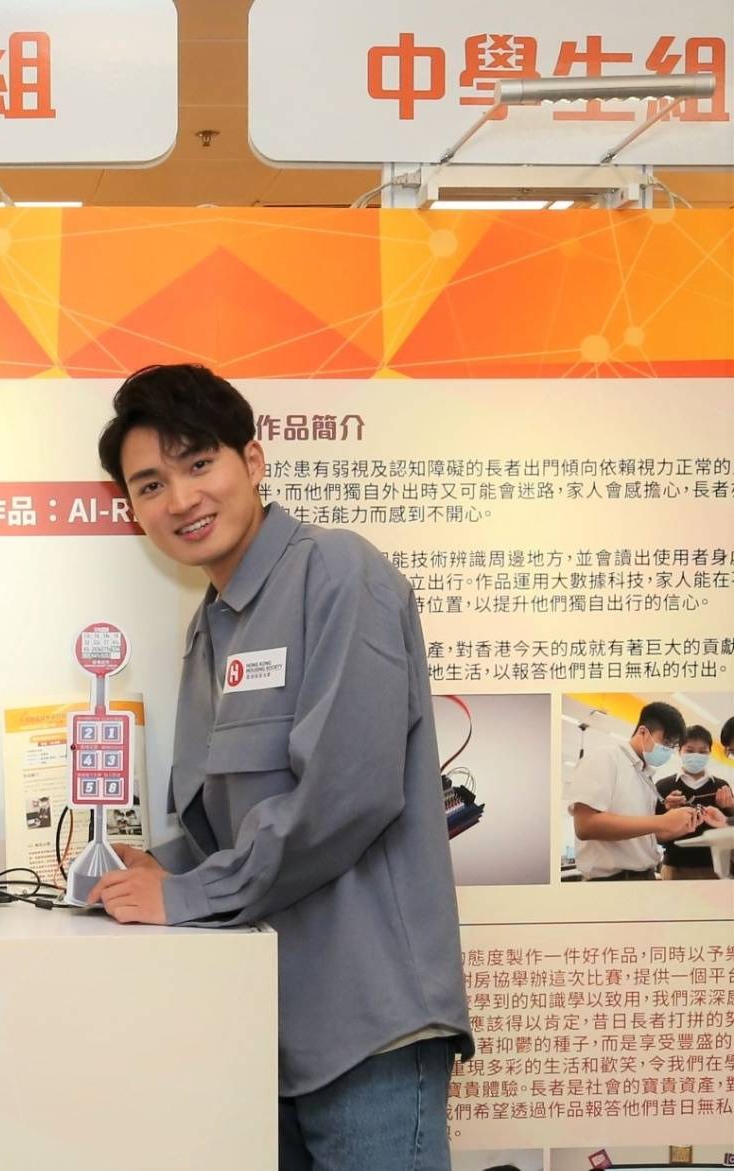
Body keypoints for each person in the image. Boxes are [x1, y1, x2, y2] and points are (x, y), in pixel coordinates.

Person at [87, 363, 473, 1171]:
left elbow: (345, 795)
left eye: (199, 463)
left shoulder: (338, 572)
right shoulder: (210, 627)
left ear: (253, 461)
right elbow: (227, 818)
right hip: (266, 1022)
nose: (181, 499)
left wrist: (183, 895)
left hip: (366, 1026)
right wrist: (155, 864)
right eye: (151, 484)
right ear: (134, 510)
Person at [565, 701, 707, 881]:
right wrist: (662, 821)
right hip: (612, 882)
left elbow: (646, 836)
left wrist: (679, 825)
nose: (669, 750)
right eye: (666, 743)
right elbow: (585, 825)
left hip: (645, 876)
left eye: (673, 746)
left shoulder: (644, 774)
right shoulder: (606, 757)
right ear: (643, 732)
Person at [655, 723, 734, 880]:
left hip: (715, 868)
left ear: (710, 753)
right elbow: (654, 834)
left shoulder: (721, 786)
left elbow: (730, 828)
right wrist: (669, 816)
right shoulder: (663, 786)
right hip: (674, 867)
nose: (696, 756)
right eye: (690, 751)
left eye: (702, 751)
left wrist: (731, 807)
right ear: (679, 751)